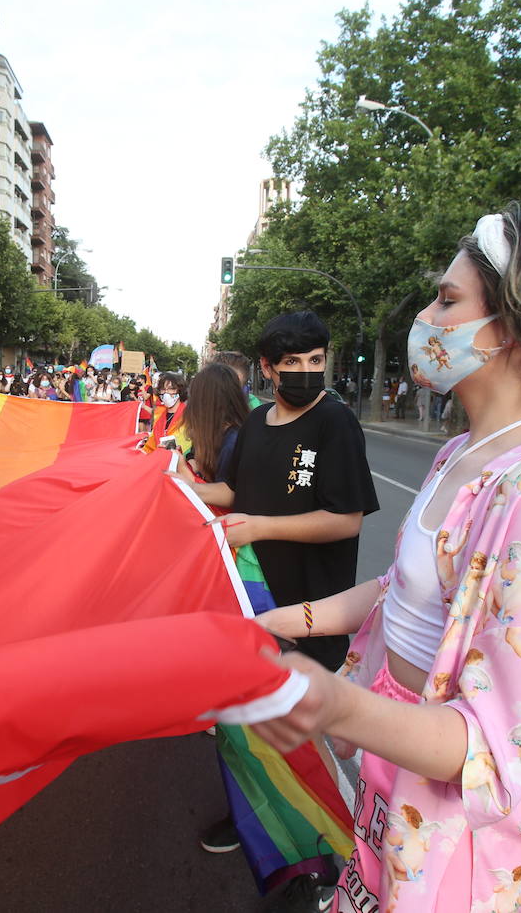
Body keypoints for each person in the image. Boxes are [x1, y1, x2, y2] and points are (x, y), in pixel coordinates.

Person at [244, 206, 521, 911]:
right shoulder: (462, 452)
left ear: (519, 325)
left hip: (451, 846)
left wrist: (333, 703)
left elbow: (487, 754)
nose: (427, 317)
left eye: (448, 299)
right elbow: (400, 591)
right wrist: (274, 624)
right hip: (392, 795)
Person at [176, 310, 379, 872]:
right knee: (250, 730)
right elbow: (232, 491)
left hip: (311, 613)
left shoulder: (336, 423)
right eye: (293, 363)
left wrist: (261, 526)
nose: (307, 373)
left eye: (317, 361)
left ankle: (329, 864)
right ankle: (258, 823)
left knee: (303, 742)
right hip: (251, 604)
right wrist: (178, 481)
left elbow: (346, 519)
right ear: (266, 369)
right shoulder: (259, 425)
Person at [182, 364, 250, 483]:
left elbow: (224, 495)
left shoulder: (233, 443)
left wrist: (184, 471)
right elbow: (195, 457)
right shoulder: (211, 433)